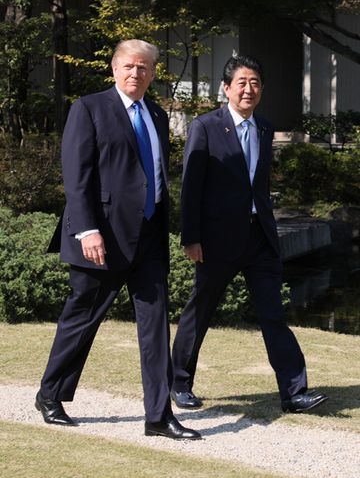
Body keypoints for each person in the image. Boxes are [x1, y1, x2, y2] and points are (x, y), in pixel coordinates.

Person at [35, 39, 200, 440]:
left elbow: (156, 173)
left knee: (156, 327)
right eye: (129, 66)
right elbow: (77, 177)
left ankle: (159, 417)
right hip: (102, 238)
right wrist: (87, 229)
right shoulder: (89, 109)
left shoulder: (158, 114)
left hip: (149, 235)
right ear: (114, 68)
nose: (135, 73)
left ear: (153, 73)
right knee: (82, 319)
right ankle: (50, 394)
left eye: (144, 68)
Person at [171, 54, 328, 414]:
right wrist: (190, 236)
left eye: (255, 83)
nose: (249, 89)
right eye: (241, 82)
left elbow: (258, 184)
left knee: (273, 314)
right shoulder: (205, 126)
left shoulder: (264, 127)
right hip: (216, 240)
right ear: (226, 88)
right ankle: (179, 382)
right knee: (201, 310)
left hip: (260, 238)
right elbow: (191, 186)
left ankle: (294, 393)